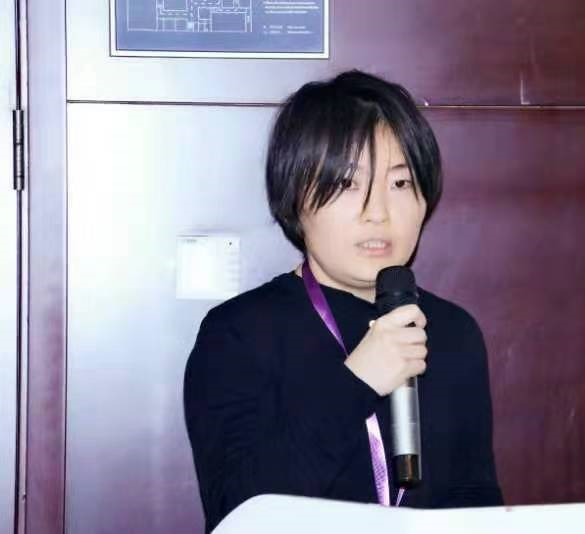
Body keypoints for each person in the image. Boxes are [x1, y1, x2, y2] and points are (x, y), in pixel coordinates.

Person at [183, 70, 503, 533]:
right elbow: (236, 512)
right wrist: (358, 382)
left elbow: (476, 504)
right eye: (349, 184)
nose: (378, 213)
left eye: (400, 184)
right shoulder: (238, 334)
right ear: (295, 198)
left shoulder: (453, 332)